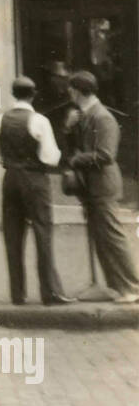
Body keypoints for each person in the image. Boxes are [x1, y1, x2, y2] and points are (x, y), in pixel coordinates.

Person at [0, 76, 70, 306]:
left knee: (12, 234)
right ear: (34, 94)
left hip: (10, 178)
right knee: (42, 231)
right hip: (34, 179)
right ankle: (49, 292)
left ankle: (17, 293)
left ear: (12, 93)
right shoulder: (39, 121)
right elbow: (51, 157)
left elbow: (0, 154)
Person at [66, 70, 139, 303]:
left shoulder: (103, 117)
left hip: (104, 186)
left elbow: (106, 155)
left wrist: (77, 160)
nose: (68, 93)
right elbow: (79, 145)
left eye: (71, 89)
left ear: (78, 91)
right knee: (100, 237)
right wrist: (69, 129)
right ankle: (112, 285)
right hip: (92, 187)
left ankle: (132, 286)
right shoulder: (84, 115)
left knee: (112, 236)